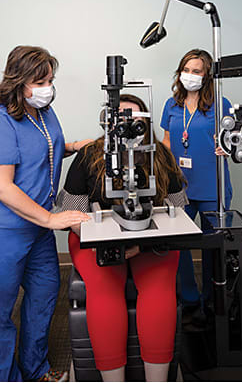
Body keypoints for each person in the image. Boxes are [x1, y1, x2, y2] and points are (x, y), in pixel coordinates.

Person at [0, 45, 90, 382]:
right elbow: (1, 186)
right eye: (39, 80)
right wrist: (52, 219)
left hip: (35, 229)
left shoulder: (43, 112)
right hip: (0, 232)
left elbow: (42, 148)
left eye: (50, 79)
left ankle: (35, 370)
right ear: (18, 81)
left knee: (44, 297)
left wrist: (74, 146)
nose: (47, 87)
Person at [56, 94, 188, 382]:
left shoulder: (161, 156)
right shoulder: (90, 154)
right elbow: (71, 212)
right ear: (109, 124)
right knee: (104, 288)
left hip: (151, 239)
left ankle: (158, 378)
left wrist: (142, 242)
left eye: (135, 121)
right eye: (121, 121)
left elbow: (178, 207)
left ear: (145, 123)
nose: (128, 127)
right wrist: (107, 242)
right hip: (95, 239)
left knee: (159, 288)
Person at [160, 48, 233, 325]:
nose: (190, 76)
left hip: (213, 186)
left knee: (213, 246)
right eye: (186, 70)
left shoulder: (220, 104)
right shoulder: (171, 104)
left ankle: (212, 300)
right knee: (177, 246)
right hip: (181, 188)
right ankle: (190, 298)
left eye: (197, 71)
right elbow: (167, 142)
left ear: (207, 76)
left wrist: (225, 147)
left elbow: (233, 140)